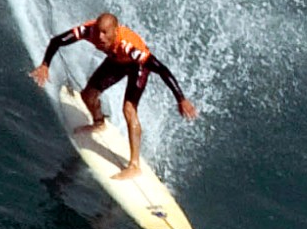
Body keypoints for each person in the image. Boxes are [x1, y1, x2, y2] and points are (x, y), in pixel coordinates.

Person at [27, 12, 197, 178]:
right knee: (88, 95)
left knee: (129, 109)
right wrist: (45, 65)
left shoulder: (129, 47)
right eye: (98, 31)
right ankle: (99, 122)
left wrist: (181, 99)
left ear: (115, 31)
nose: (100, 37)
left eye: (105, 32)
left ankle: (134, 165)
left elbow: (161, 69)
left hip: (137, 66)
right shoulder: (89, 31)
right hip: (116, 61)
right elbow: (57, 41)